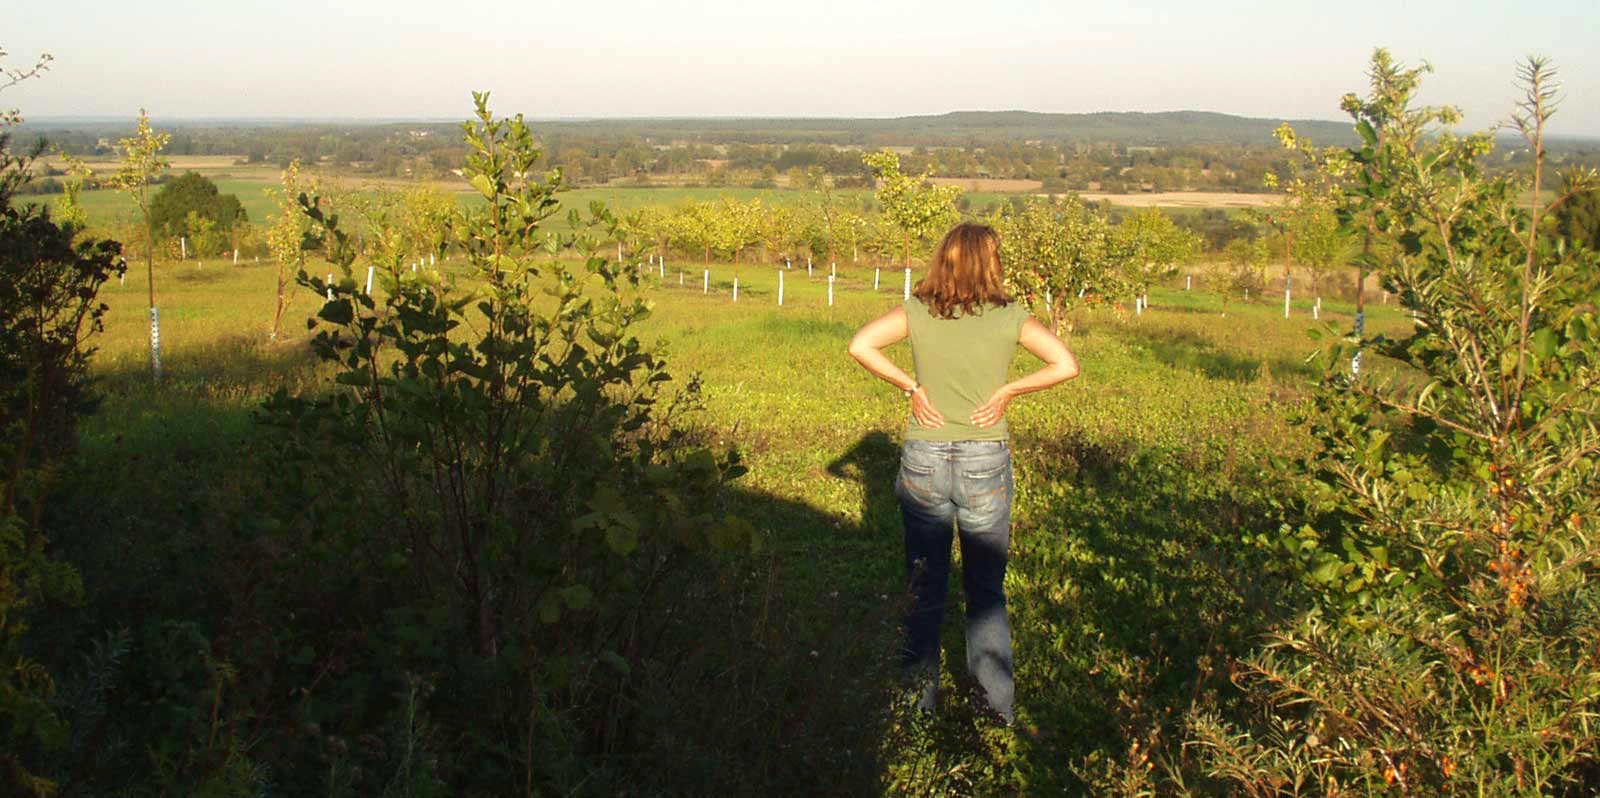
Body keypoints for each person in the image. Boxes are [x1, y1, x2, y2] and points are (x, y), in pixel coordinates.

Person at [846, 222, 1078, 724]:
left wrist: (912, 387)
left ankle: (915, 711)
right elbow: (1065, 364)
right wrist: (1008, 391)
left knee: (922, 586)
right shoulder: (1011, 317)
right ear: (990, 263)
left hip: (924, 459)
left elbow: (861, 344)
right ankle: (995, 714)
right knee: (986, 589)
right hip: (985, 461)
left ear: (944, 261)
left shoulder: (917, 311)